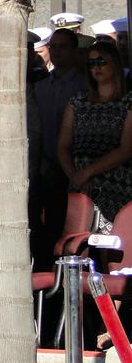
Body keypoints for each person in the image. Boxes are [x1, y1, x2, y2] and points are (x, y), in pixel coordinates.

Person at [58, 41, 132, 233]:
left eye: (101, 61)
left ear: (114, 63)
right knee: (78, 243)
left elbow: (126, 148)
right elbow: (63, 145)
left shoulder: (128, 102)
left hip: (117, 186)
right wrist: (76, 176)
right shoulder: (77, 102)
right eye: (91, 63)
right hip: (81, 186)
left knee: (114, 246)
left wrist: (88, 172)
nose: (96, 67)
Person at [32, 28, 88, 268]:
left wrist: (62, 166)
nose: (56, 51)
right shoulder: (40, 86)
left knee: (64, 229)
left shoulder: (85, 86)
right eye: (53, 46)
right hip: (41, 168)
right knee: (39, 230)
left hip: (73, 170)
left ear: (75, 51)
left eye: (63, 46)